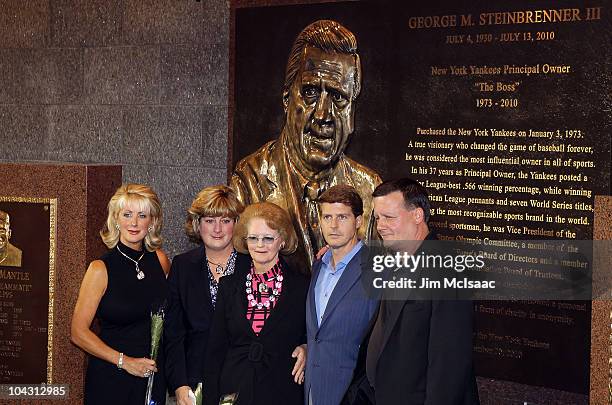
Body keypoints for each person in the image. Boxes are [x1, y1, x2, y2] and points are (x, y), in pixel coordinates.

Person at [231, 19, 382, 269]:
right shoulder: (249, 180)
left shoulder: (370, 189)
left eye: (338, 97)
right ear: (287, 99)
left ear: (353, 111)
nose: (323, 114)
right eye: (310, 92)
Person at [361, 178, 479, 404]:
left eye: (389, 217)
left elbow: (448, 365)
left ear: (417, 215)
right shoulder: (396, 259)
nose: (380, 226)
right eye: (377, 218)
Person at [71, 184, 170, 405]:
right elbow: (77, 332)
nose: (134, 223)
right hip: (112, 378)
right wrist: (125, 362)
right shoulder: (100, 269)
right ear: (116, 219)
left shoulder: (160, 261)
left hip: (152, 376)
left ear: (152, 222)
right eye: (127, 215)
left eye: (142, 215)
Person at [203, 202, 309, 405]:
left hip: (282, 392)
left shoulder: (302, 287)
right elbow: (215, 350)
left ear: (283, 241)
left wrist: (306, 347)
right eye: (253, 238)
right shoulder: (229, 286)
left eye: (268, 238)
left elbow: (313, 334)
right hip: (235, 391)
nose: (260, 245)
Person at [165, 185, 251, 405]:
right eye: (210, 220)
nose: (217, 229)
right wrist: (180, 384)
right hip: (195, 386)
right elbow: (174, 333)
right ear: (197, 224)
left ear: (237, 224)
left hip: (244, 382)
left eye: (225, 220)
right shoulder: (182, 266)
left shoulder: (253, 264)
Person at [304, 185, 378, 405]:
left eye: (342, 217)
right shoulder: (319, 265)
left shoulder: (376, 268)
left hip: (353, 393)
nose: (333, 225)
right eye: (327, 217)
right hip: (312, 389)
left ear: (358, 221)